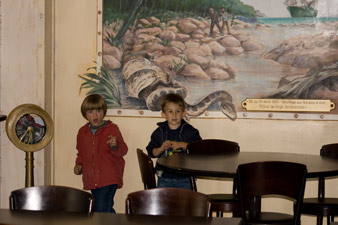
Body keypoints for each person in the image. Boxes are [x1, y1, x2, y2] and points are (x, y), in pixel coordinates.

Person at [74, 94, 128, 213]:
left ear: (104, 111)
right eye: (91, 112)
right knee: (102, 209)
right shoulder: (82, 132)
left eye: (98, 111)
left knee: (102, 209)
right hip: (92, 179)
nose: (95, 115)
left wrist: (114, 145)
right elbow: (81, 154)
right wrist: (79, 165)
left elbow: (123, 150)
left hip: (109, 177)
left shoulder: (112, 129)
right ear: (85, 114)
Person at [146, 93, 202, 190]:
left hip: (185, 177)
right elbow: (151, 152)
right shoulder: (159, 132)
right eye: (170, 111)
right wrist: (161, 148)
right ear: (163, 115)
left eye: (178, 111)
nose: (174, 115)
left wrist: (182, 145)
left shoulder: (190, 131)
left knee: (185, 204)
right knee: (164, 204)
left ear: (184, 113)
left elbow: (199, 149)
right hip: (164, 177)